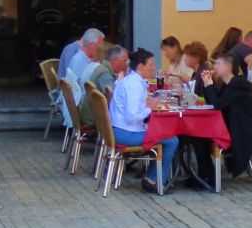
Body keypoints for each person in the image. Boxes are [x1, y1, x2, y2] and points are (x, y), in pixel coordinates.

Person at [109, 48, 177, 195]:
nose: (153, 68)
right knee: (172, 140)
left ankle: (152, 176)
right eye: (151, 65)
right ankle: (153, 180)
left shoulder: (131, 80)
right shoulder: (134, 85)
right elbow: (132, 117)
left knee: (167, 135)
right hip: (127, 133)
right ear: (140, 67)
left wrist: (147, 106)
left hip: (121, 129)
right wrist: (149, 108)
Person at [196, 52, 252, 182]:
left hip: (242, 131)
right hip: (231, 125)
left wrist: (209, 84)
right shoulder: (228, 85)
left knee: (200, 137)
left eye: (218, 64)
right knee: (197, 136)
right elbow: (214, 101)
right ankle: (204, 174)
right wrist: (207, 84)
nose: (214, 67)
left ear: (228, 67)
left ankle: (207, 176)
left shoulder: (237, 86)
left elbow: (217, 105)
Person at [59, 28, 104, 128]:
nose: (102, 49)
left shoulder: (81, 57)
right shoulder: (80, 60)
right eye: (100, 45)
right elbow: (82, 88)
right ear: (92, 45)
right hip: (81, 108)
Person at [79, 45, 127, 128]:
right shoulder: (105, 74)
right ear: (115, 61)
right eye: (125, 60)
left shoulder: (101, 67)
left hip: (90, 114)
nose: (126, 64)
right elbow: (115, 99)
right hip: (95, 118)